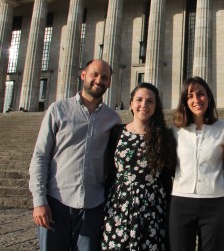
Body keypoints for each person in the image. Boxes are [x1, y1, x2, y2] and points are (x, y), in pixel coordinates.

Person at [29, 59, 121, 250]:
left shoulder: (113, 119)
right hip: (56, 202)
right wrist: (39, 200)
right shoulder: (58, 110)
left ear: (109, 82)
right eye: (95, 74)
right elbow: (40, 156)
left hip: (93, 204)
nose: (99, 80)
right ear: (83, 75)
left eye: (105, 77)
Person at [102, 82, 177, 250]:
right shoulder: (116, 133)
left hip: (153, 210)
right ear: (131, 104)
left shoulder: (164, 136)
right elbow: (109, 172)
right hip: (119, 207)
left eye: (150, 101)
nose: (144, 105)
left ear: (156, 106)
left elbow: (170, 173)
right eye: (139, 99)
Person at [169, 77, 224, 251]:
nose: (196, 100)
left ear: (209, 97)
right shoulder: (176, 130)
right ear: (185, 101)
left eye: (200, 94)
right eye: (190, 96)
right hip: (181, 200)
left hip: (215, 200)